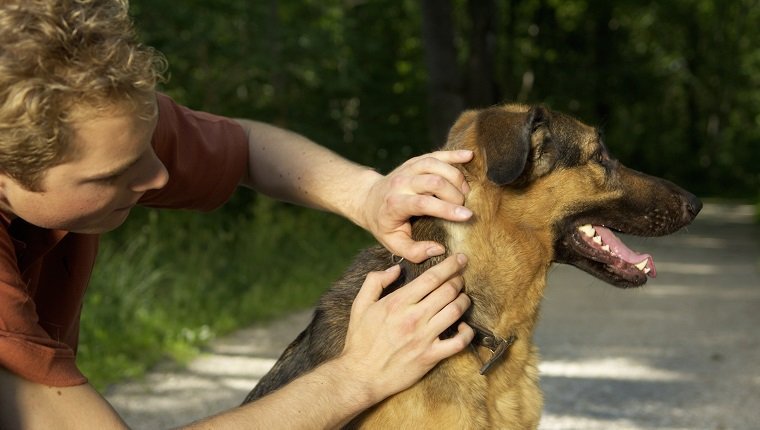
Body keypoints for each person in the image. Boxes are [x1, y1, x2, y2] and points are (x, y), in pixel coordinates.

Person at [0, 1, 475, 428]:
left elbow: (247, 148)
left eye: (149, 142)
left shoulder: (96, 122)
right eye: (113, 175)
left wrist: (370, 194)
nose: (159, 176)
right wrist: (357, 376)